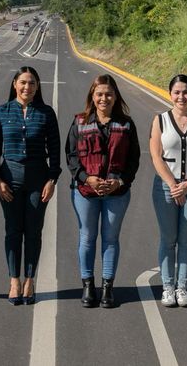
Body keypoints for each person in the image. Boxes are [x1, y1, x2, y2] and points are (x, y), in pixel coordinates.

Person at [66, 74, 140, 308]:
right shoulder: (79, 122)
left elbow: (133, 160)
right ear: (92, 96)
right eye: (99, 94)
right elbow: (71, 157)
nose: (103, 98)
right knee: (87, 238)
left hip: (117, 193)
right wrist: (87, 178)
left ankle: (107, 287)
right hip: (85, 193)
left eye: (108, 94)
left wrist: (119, 182)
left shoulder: (126, 124)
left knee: (110, 239)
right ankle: (88, 285)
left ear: (116, 96)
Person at [0, 66, 61, 305]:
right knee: (12, 231)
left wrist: (52, 180)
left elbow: (55, 151)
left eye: (31, 83)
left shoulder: (46, 113)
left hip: (38, 182)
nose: (27, 87)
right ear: (14, 84)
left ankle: (30, 280)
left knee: (33, 232)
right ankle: (13, 281)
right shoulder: (1, 112)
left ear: (37, 87)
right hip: (9, 182)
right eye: (23, 82)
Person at [149, 74, 187, 307]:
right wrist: (174, 186)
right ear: (170, 94)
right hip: (166, 187)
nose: (181, 96)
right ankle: (167, 287)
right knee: (168, 239)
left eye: (186, 92)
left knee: (186, 240)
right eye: (176, 92)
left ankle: (182, 287)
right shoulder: (160, 120)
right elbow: (156, 156)